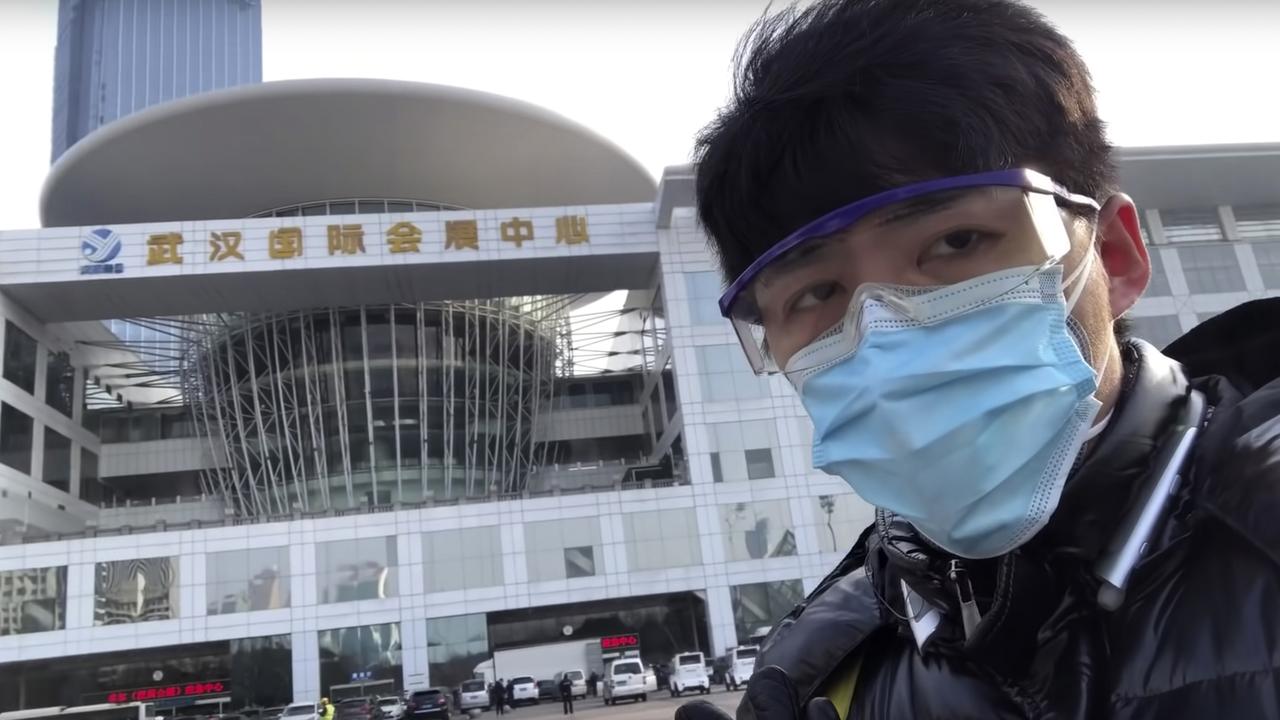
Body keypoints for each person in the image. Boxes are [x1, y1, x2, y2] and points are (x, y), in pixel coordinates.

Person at [673, 1, 1280, 718]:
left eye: (956, 242)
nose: (882, 334)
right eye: (817, 292)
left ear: (1112, 257)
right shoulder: (818, 677)